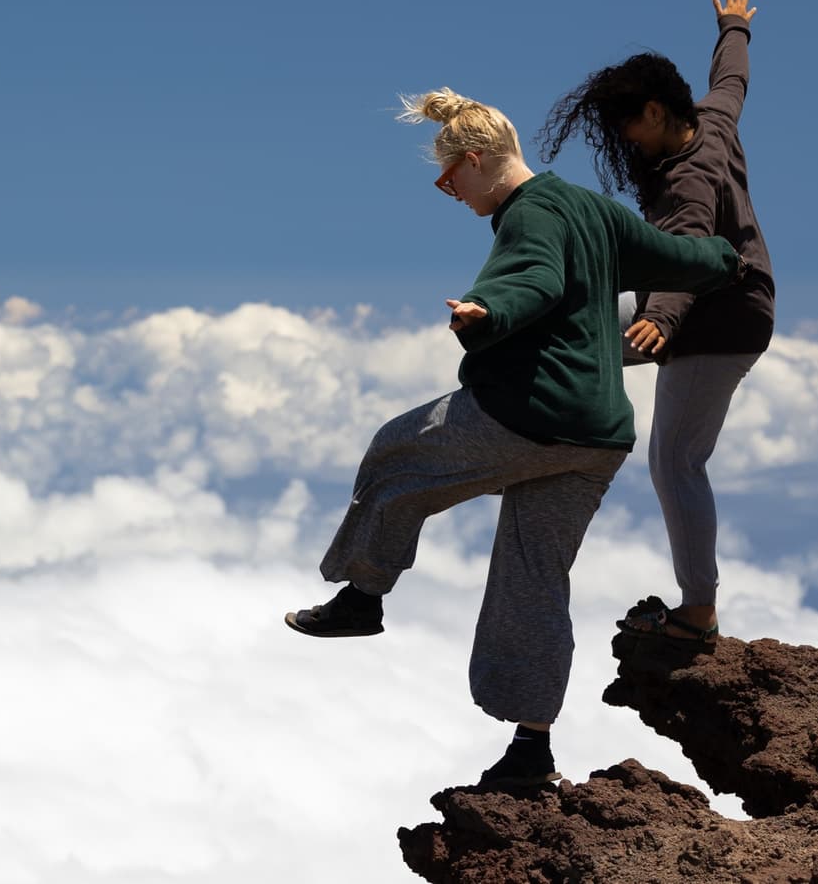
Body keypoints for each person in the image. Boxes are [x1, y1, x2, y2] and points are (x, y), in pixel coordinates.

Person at [285, 87, 744, 789]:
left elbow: (533, 277)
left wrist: (486, 312)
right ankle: (532, 749)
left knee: (396, 452)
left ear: (474, 161)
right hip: (598, 436)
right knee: (534, 579)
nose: (449, 192)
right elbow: (673, 256)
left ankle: (362, 597)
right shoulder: (593, 210)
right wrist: (723, 256)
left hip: (529, 414)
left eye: (448, 179)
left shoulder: (526, 216)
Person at [537, 0, 773, 657]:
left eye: (626, 128)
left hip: (719, 322)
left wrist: (664, 320)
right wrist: (735, 28)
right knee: (570, 326)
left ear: (653, 111)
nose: (623, 142)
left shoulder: (685, 180)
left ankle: (698, 612)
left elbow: (693, 244)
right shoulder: (710, 119)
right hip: (706, 299)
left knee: (675, 462)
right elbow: (731, 80)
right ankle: (532, 437)